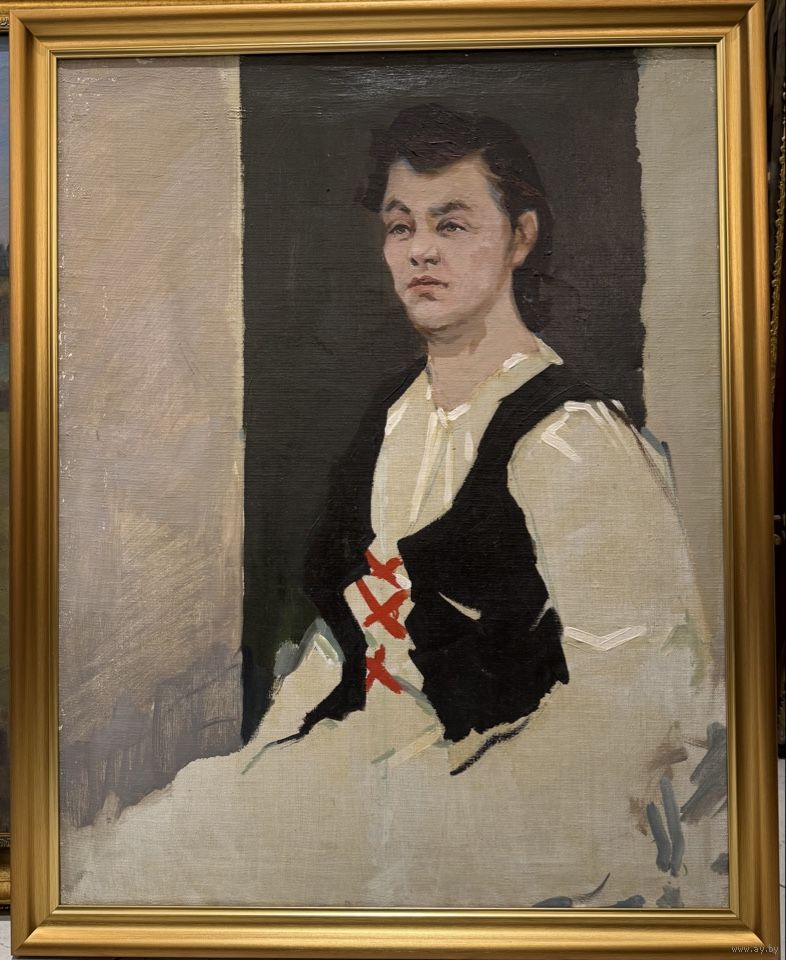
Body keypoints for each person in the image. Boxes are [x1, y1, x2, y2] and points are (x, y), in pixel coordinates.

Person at [61, 103, 727, 909]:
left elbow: (638, 703)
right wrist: (260, 765)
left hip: (510, 806)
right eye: (400, 225)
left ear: (520, 237)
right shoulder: (393, 419)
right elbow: (345, 642)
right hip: (359, 769)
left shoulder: (574, 439)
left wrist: (434, 817)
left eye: (452, 224)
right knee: (129, 860)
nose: (420, 250)